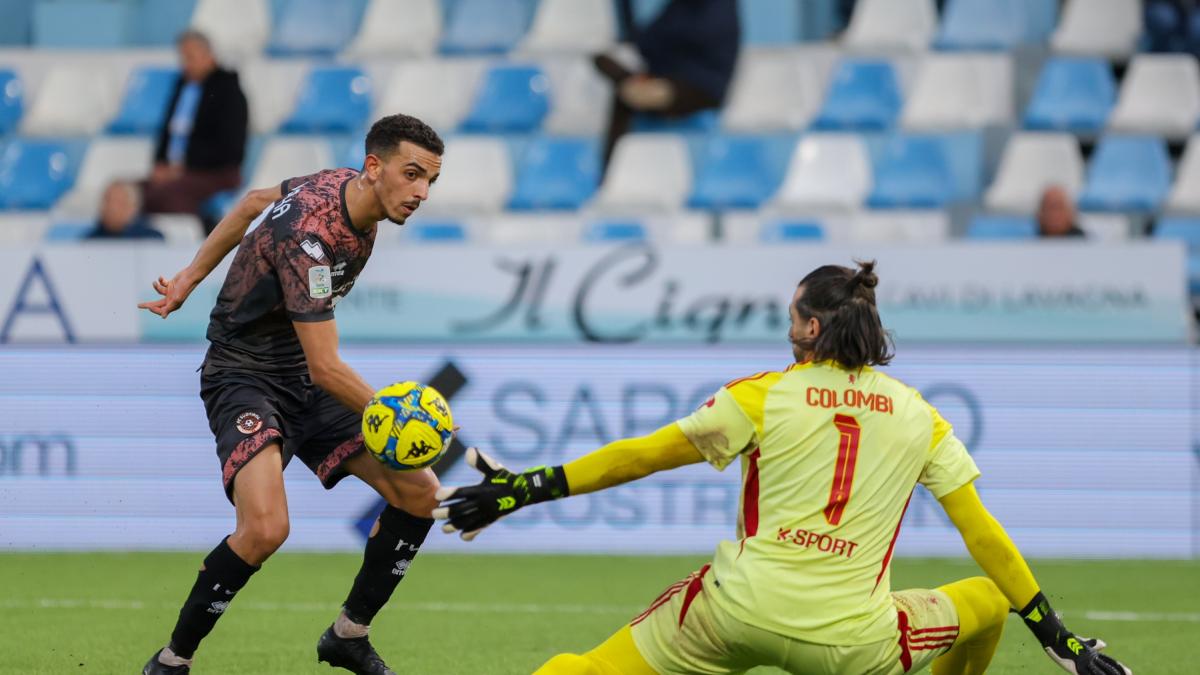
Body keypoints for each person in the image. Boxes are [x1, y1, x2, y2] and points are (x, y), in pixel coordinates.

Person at [435, 261, 1133, 675]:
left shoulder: (763, 394)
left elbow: (643, 456)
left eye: (791, 314)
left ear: (808, 327)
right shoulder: (920, 412)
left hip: (732, 614)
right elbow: (983, 532)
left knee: (577, 670)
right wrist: (1058, 637)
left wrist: (527, 488)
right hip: (853, 643)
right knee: (984, 600)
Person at [137, 114, 444, 675]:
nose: (422, 192)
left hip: (298, 372)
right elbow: (329, 368)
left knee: (420, 494)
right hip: (244, 374)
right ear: (375, 168)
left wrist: (188, 276)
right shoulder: (313, 238)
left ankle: (348, 636)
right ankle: (171, 661)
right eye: (412, 174)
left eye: (430, 180)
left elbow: (253, 200)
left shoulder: (340, 183)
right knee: (265, 529)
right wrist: (401, 416)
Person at [594, 0, 739, 172]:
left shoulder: (719, 8)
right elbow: (646, 42)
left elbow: (687, 39)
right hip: (660, 79)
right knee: (606, 65)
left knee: (629, 93)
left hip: (700, 89)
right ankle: (611, 173)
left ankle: (609, 172)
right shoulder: (677, 7)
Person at [143, 30, 248, 232]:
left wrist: (183, 167)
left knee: (167, 195)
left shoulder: (229, 93)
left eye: (190, 57)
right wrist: (161, 164)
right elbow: (166, 133)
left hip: (216, 173)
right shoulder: (181, 87)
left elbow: (230, 148)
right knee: (127, 194)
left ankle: (198, 242)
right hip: (179, 173)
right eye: (182, 57)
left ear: (209, 55)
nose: (185, 63)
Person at [85, 182, 163, 241]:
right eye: (108, 201)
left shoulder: (152, 239)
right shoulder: (90, 241)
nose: (112, 208)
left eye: (118, 203)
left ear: (133, 207)